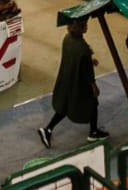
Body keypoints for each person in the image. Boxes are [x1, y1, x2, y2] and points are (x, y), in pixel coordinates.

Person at [41, 16, 105, 146]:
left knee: (65, 106)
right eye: (82, 25)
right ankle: (93, 132)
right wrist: (93, 86)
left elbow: (76, 58)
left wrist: (89, 60)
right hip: (79, 83)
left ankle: (48, 129)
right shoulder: (83, 49)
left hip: (67, 79)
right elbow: (87, 71)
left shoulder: (67, 39)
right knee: (93, 104)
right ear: (75, 27)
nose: (85, 27)